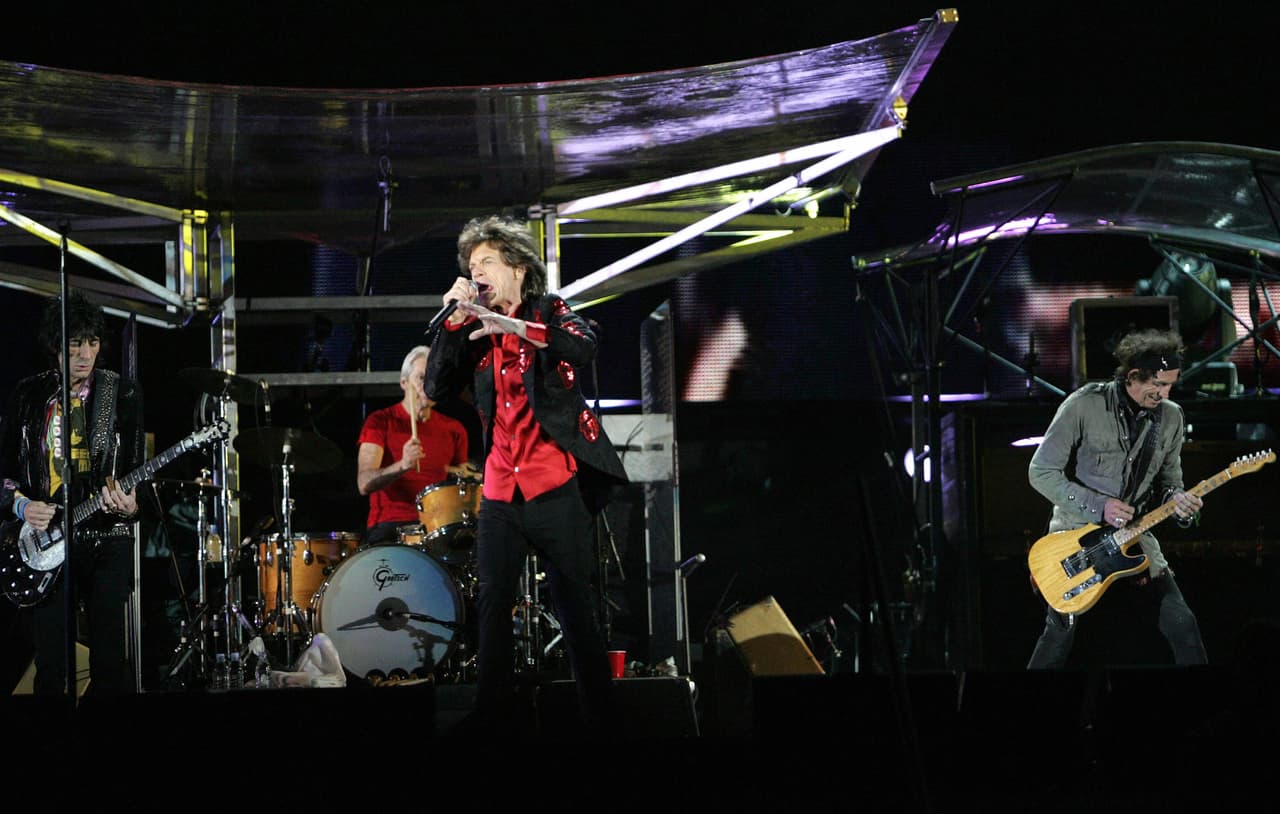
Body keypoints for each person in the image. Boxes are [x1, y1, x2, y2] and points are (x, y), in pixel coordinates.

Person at [425, 214, 629, 734]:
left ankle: (600, 719)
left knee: (576, 607)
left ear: (516, 268)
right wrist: (453, 321)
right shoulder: (471, 326)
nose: (477, 273)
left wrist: (514, 327)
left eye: (486, 263)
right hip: (499, 490)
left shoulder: (547, 309)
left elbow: (582, 345)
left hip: (554, 486)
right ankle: (490, 714)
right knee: (492, 606)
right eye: (471, 267)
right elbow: (436, 388)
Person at [1026, 328, 1207, 669]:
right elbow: (1041, 471)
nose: (1165, 393)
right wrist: (1100, 506)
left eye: (1170, 384)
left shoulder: (1171, 417)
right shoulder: (1083, 405)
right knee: (1059, 636)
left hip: (1134, 538)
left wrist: (1181, 505)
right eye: (1158, 384)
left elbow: (1170, 483)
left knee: (1182, 624)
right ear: (1133, 376)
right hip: (1076, 541)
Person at [0, 290, 145, 695]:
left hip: (107, 537)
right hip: (47, 542)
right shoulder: (28, 395)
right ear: (55, 345)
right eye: (75, 343)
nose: (85, 354)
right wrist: (22, 505)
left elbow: (135, 471)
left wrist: (132, 504)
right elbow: (5, 472)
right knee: (51, 666)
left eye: (93, 342)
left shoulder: (123, 393)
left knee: (110, 663)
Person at [356, 344, 479, 546]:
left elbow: (461, 480)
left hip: (438, 525)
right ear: (404, 382)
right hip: (391, 525)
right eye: (422, 378)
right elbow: (364, 483)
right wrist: (403, 465)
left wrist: (469, 475)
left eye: (434, 378)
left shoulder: (454, 428)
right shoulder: (380, 421)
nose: (429, 384)